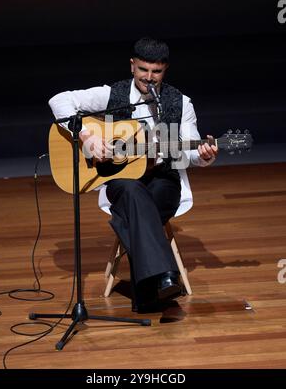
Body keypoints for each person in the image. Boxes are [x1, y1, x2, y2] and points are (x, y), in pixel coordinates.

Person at [49, 37, 218, 312]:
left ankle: (154, 284)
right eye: (143, 70)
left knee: (138, 202)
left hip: (164, 180)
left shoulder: (180, 103)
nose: (149, 77)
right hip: (122, 180)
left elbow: (191, 150)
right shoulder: (111, 94)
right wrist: (86, 137)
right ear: (132, 66)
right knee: (130, 190)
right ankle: (163, 278)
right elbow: (59, 101)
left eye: (156, 72)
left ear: (165, 70)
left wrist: (205, 156)